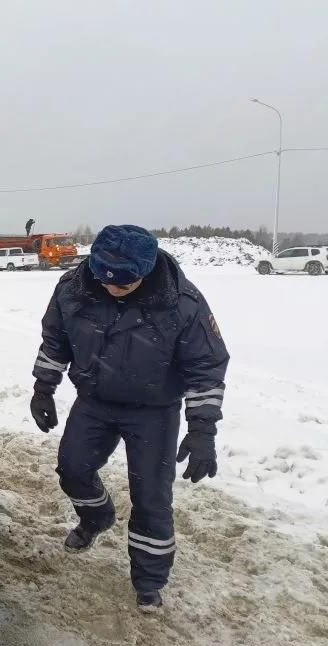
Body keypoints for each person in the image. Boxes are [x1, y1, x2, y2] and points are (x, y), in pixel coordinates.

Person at [29, 224, 228, 613]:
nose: (113, 288)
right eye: (106, 279)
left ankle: (149, 580)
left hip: (154, 412)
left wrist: (203, 429)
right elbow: (55, 341)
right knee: (72, 470)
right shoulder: (72, 289)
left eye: (124, 282)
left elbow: (206, 366)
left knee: (151, 498)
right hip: (95, 402)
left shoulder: (182, 302)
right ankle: (96, 517)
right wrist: (43, 388)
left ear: (146, 270)